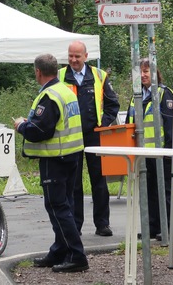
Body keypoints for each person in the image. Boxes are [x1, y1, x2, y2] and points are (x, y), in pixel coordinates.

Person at [15, 53, 89, 273]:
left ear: (38, 71)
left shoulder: (49, 96)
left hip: (55, 157)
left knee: (58, 207)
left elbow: (40, 130)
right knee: (65, 204)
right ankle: (60, 249)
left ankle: (77, 255)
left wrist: (21, 126)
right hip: (72, 154)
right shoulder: (66, 91)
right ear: (57, 70)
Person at [58, 40, 120, 237]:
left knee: (99, 181)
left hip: (95, 136)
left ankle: (102, 224)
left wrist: (103, 125)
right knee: (73, 183)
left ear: (86, 56)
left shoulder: (99, 76)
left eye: (77, 56)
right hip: (71, 136)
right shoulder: (60, 76)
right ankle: (75, 225)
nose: (73, 60)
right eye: (71, 56)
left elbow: (112, 104)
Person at [127, 58, 173, 240]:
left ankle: (171, 230)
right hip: (144, 155)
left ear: (155, 73)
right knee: (148, 192)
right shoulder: (136, 96)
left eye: (146, 71)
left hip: (163, 154)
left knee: (166, 191)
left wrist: (169, 151)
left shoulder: (164, 94)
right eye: (140, 72)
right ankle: (152, 227)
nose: (142, 75)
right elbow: (129, 125)